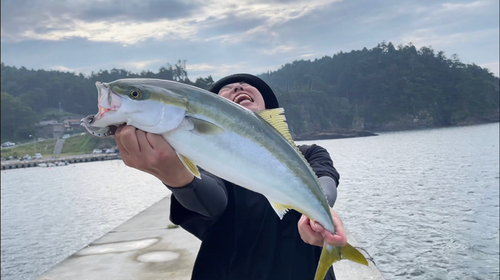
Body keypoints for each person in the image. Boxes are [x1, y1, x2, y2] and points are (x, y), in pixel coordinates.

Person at [114, 73, 347, 280]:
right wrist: (175, 176)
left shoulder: (310, 154)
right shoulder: (205, 165)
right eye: (227, 89)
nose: (238, 87)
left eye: (246, 84)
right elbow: (212, 202)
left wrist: (319, 212)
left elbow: (325, 182)